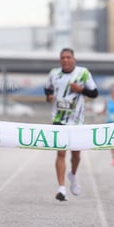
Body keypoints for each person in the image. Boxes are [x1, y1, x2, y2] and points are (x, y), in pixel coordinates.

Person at [44, 47, 99, 202]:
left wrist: (80, 89)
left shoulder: (83, 73)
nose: (65, 60)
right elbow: (47, 89)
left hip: (77, 121)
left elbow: (94, 93)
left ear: (73, 59)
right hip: (59, 119)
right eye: (63, 58)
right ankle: (61, 188)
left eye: (68, 57)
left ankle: (73, 174)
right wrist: (48, 96)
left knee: (76, 154)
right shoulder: (54, 74)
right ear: (60, 60)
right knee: (61, 152)